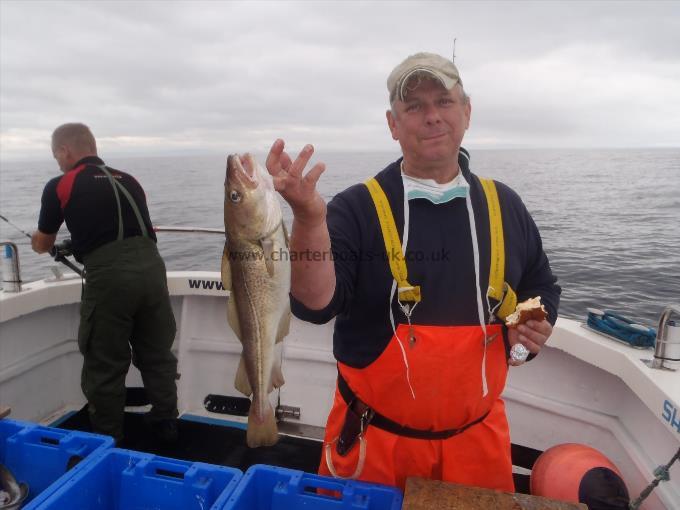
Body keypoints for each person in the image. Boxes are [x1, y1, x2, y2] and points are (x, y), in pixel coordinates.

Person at [265, 52, 561, 491]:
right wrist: (309, 220)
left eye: (443, 102)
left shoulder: (505, 205)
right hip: (373, 446)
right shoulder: (354, 208)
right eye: (414, 107)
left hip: (478, 446)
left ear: (467, 112)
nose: (432, 117)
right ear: (392, 124)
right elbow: (315, 304)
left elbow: (540, 283)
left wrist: (528, 327)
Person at [32, 123, 178, 444]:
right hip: (153, 271)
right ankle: (166, 421)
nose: (57, 162)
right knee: (157, 354)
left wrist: (40, 243)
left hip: (111, 279)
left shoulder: (61, 184)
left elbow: (44, 243)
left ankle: (108, 441)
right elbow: (119, 226)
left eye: (56, 155)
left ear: (64, 151)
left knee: (105, 363)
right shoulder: (129, 180)